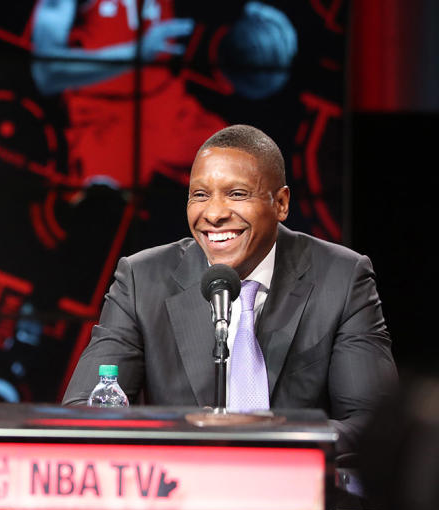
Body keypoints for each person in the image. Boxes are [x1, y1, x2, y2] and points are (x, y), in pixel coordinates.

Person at [61, 124, 397, 455]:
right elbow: (85, 409)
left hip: (292, 497)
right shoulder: (140, 279)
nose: (215, 213)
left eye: (237, 194)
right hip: (181, 497)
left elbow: (374, 425)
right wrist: (183, 439)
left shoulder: (341, 278)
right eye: (200, 195)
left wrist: (267, 436)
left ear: (280, 203)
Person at [31, 0, 295, 193]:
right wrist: (135, 55)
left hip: (169, 115)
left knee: (259, 174)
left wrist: (258, 20)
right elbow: (47, 73)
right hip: (104, 133)